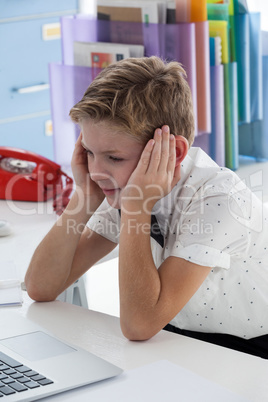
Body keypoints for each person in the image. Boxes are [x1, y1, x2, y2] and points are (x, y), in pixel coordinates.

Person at [25, 56, 268, 359]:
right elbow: (41, 287)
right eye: (89, 152)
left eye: (114, 158)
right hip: (176, 337)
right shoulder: (125, 186)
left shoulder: (218, 200)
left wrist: (137, 207)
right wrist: (85, 197)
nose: (97, 171)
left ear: (173, 152)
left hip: (250, 351)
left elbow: (138, 325)